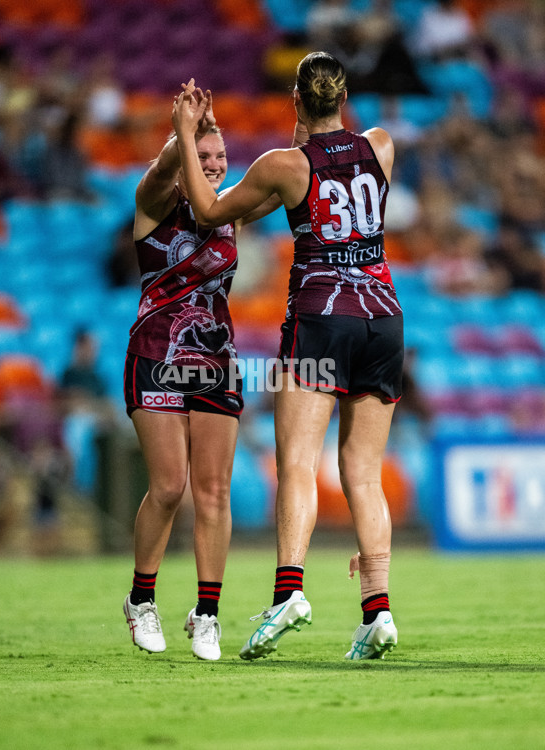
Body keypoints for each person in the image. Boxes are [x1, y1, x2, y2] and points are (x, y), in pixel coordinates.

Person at [173, 52, 403, 661]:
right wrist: (313, 130)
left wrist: (182, 133)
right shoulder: (382, 145)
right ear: (344, 96)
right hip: (383, 318)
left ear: (296, 101)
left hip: (322, 318)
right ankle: (377, 609)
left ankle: (289, 592)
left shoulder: (283, 165)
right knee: (362, 471)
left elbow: (211, 210)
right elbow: (339, 173)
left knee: (297, 461)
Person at [122, 80, 288, 661]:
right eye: (205, 155)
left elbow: (284, 189)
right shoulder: (152, 202)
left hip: (216, 359)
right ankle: (142, 600)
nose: (214, 166)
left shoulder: (229, 214)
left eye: (221, 158)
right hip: (156, 354)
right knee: (170, 486)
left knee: (215, 490)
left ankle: (207, 613)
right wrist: (186, 133)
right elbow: (169, 167)